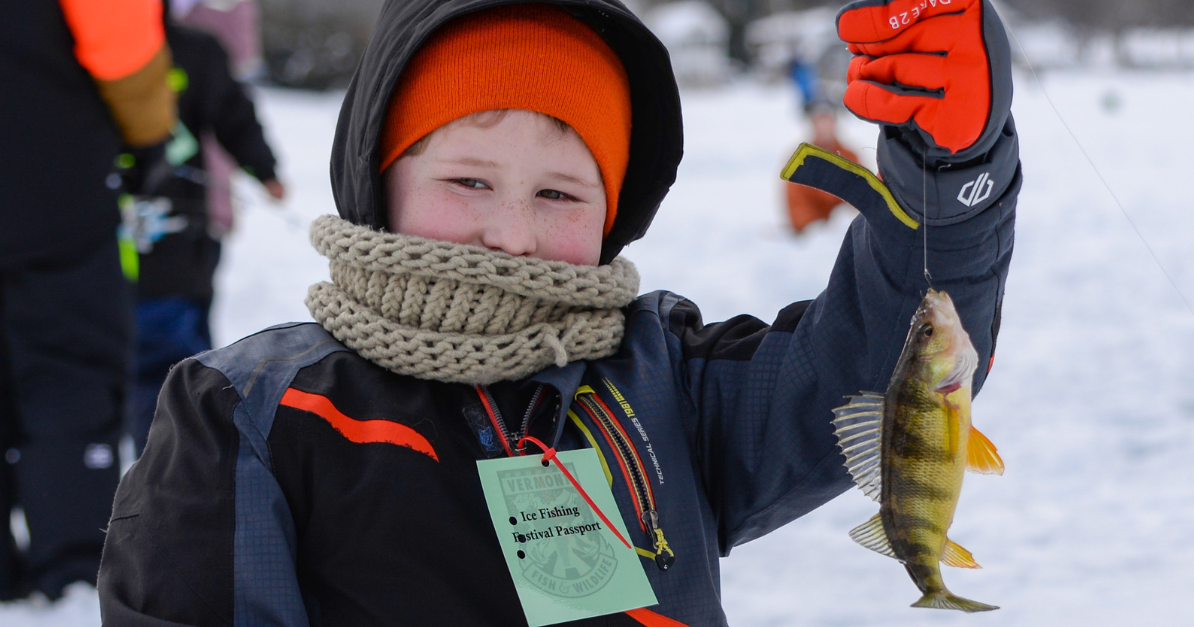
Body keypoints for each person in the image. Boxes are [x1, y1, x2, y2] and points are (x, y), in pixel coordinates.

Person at [97, 0, 1020, 625]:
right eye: (468, 179)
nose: (512, 235)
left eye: (561, 195)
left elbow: (875, 372)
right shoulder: (249, 413)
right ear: (378, 176)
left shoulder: (668, 379)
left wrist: (949, 175)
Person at [0, 0, 174, 601]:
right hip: (46, 179)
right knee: (68, 365)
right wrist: (150, 134)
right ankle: (73, 572)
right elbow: (121, 41)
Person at [123, 6, 285, 454]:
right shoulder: (191, 48)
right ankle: (167, 465)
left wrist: (264, 168)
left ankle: (169, 468)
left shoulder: (193, 50)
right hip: (122, 244)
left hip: (176, 236)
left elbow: (233, 112)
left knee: (172, 364)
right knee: (166, 369)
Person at [784, 38, 859, 233]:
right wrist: (822, 231)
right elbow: (798, 212)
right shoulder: (799, 162)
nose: (824, 125)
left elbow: (866, 201)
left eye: (828, 119)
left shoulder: (850, 156)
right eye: (819, 119)